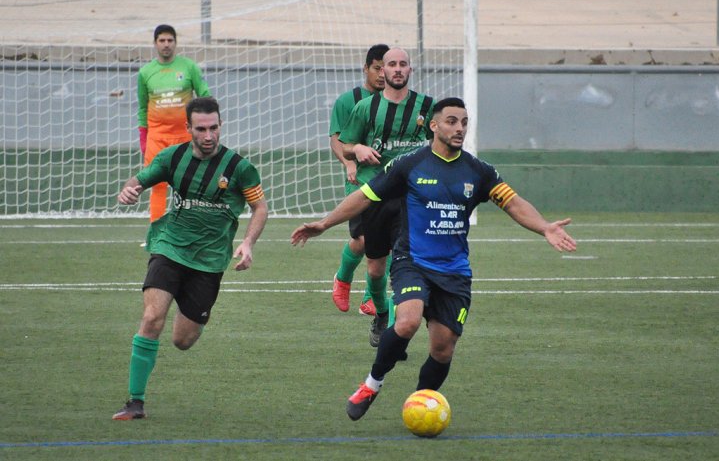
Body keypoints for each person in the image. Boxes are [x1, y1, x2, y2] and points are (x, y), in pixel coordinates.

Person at [291, 97, 577, 421]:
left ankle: (420, 402)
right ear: (434, 125)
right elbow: (365, 195)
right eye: (452, 121)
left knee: (443, 348)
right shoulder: (409, 165)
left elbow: (512, 202)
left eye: (464, 122)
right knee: (408, 321)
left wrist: (544, 227)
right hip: (412, 261)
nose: (459, 128)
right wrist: (325, 224)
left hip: (454, 271)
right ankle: (372, 383)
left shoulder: (478, 171)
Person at [112, 97, 268, 420]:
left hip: (209, 261)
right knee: (153, 317)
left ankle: (192, 312)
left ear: (220, 125)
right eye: (201, 129)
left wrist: (248, 242)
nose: (209, 135)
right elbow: (139, 180)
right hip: (170, 247)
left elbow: (260, 208)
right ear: (188, 129)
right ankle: (135, 402)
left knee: (183, 340)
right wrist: (130, 190)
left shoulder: (239, 168)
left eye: (214, 128)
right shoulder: (173, 158)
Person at [337, 47, 437, 346]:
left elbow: (439, 144)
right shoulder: (366, 107)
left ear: (410, 70)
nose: (395, 69)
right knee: (375, 267)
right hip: (374, 194)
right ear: (382, 71)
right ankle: (381, 314)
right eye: (390, 65)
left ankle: (394, 329)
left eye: (402, 64)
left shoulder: (427, 107)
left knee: (405, 262)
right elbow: (345, 144)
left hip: (412, 197)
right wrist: (358, 150)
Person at [329, 43, 389, 316]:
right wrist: (348, 162)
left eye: (385, 68)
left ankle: (369, 298)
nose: (381, 74)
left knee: (385, 242)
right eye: (376, 68)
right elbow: (337, 139)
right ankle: (342, 278)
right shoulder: (348, 101)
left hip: (391, 181)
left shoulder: (399, 103)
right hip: (361, 181)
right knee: (363, 240)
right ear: (366, 69)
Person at [137, 24, 211, 222]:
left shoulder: (189, 67)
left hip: (185, 137)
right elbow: (143, 108)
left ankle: (191, 228)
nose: (166, 44)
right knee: (157, 185)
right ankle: (157, 232)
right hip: (157, 138)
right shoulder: (145, 73)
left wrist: (207, 125)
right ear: (155, 43)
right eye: (162, 40)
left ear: (176, 43)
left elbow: (204, 94)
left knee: (191, 184)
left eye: (170, 40)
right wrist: (143, 137)